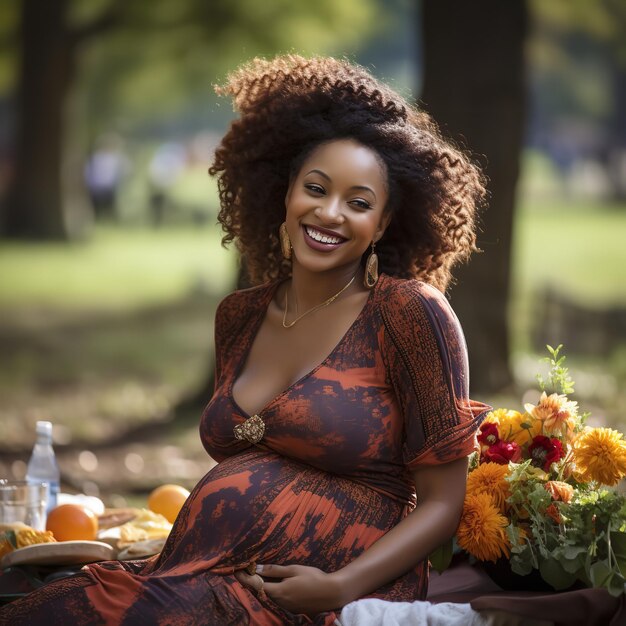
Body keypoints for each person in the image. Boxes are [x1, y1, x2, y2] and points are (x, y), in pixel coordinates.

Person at [0, 55, 491, 626]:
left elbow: (440, 502)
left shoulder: (408, 313)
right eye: (316, 188)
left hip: (333, 589)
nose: (329, 213)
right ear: (284, 194)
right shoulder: (240, 315)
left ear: (381, 225)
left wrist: (339, 586)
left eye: (358, 203)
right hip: (196, 571)